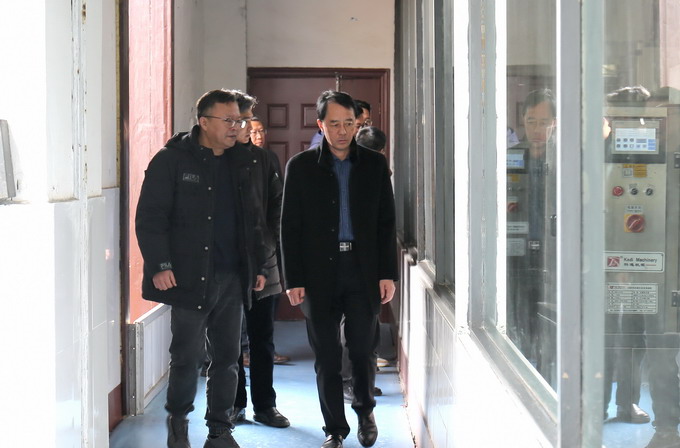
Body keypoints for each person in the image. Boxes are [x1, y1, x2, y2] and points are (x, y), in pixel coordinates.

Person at [135, 89, 267, 448]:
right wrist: (160, 264)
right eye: (229, 120)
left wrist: (257, 265)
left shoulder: (243, 162)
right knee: (186, 357)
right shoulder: (172, 160)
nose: (236, 126)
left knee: (227, 358)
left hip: (233, 276)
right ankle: (178, 422)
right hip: (188, 276)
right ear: (204, 122)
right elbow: (150, 217)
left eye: (239, 120)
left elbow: (253, 220)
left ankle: (219, 429)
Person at [281, 90, 398, 448]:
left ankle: (365, 412)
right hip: (318, 274)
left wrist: (387, 273)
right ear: (321, 125)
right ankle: (334, 428)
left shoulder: (374, 165)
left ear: (357, 124)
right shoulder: (301, 167)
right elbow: (289, 227)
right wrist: (293, 279)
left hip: (363, 271)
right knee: (327, 357)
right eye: (334, 124)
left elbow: (386, 222)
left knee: (362, 350)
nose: (343, 131)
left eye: (349, 123)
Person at [226, 91, 290, 428]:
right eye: (238, 120)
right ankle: (233, 404)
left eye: (247, 120)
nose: (244, 126)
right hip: (225, 266)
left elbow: (276, 212)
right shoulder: (214, 157)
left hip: (264, 262)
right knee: (228, 341)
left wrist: (268, 259)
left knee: (262, 338)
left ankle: (265, 405)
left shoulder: (265, 160)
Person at [506, 88, 558, 386]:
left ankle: (549, 385)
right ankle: (524, 384)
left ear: (555, 123)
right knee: (519, 322)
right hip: (517, 257)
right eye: (531, 121)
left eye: (544, 122)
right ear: (523, 121)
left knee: (550, 329)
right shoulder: (510, 158)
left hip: (555, 259)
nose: (537, 129)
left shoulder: (566, 161)